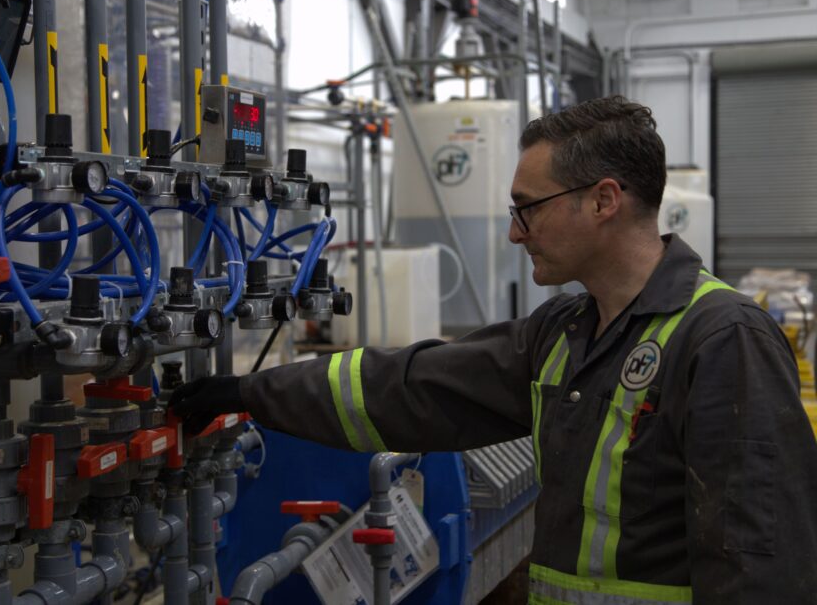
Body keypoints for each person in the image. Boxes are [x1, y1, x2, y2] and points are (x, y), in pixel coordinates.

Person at [170, 96, 817, 604]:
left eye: (528, 209)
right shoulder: (566, 333)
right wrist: (246, 392)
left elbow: (760, 561)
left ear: (604, 201)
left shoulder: (721, 339)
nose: (513, 232)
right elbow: (412, 387)